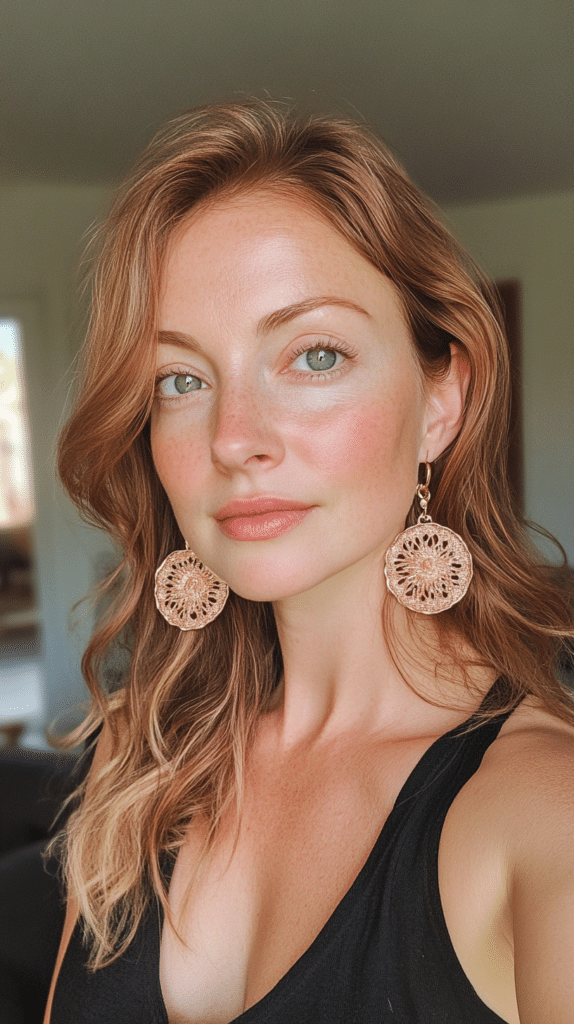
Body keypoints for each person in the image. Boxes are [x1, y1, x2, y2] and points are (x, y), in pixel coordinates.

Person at [44, 100, 574, 1024]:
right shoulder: (143, 770)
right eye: (182, 379)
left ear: (442, 400)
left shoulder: (541, 816)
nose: (234, 439)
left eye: (314, 355)